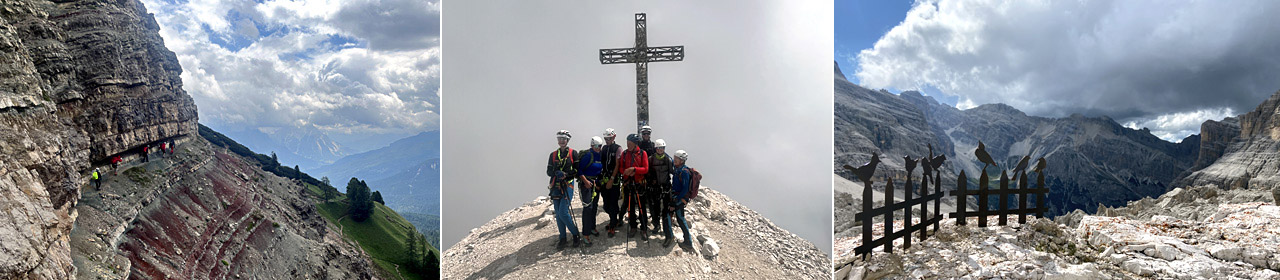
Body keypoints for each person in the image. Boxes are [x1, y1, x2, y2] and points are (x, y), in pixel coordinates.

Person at [546, 130, 583, 249]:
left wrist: (566, 174)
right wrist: (557, 173)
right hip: (556, 186)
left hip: (568, 185)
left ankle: (575, 234)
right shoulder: (552, 155)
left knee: (563, 212)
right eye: (559, 138)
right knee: (558, 213)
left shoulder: (573, 153)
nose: (561, 141)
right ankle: (562, 237)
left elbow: (577, 170)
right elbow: (548, 171)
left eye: (564, 139)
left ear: (567, 140)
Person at [619, 133, 650, 240]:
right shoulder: (624, 154)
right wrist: (627, 172)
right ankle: (633, 226)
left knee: (642, 207)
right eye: (627, 143)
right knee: (630, 206)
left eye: (630, 143)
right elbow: (621, 169)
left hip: (639, 184)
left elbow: (646, 169)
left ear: (635, 143)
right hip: (628, 183)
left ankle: (644, 227)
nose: (628, 145)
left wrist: (634, 170)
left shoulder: (642, 153)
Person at [576, 136, 606, 244]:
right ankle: (586, 233)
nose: (598, 148)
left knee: (594, 207)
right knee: (588, 208)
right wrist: (585, 181)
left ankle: (592, 227)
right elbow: (579, 170)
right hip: (586, 185)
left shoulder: (599, 155)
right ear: (592, 145)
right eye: (596, 146)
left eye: (600, 146)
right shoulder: (588, 155)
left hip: (595, 184)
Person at [599, 128, 625, 237]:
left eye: (609, 138)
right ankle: (614, 220)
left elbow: (617, 165)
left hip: (613, 180)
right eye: (605, 138)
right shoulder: (604, 148)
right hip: (604, 178)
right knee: (606, 204)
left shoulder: (618, 149)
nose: (607, 140)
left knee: (613, 203)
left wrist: (612, 179)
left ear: (614, 137)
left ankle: (613, 225)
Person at [667, 149, 694, 248]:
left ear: (682, 160)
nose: (674, 160)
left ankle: (688, 242)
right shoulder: (678, 168)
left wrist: (677, 199)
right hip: (676, 196)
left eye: (676, 158)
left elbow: (685, 188)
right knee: (678, 217)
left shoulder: (684, 172)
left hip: (679, 198)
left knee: (680, 219)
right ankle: (673, 236)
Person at [647, 139, 673, 240]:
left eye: (662, 148)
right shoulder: (651, 159)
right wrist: (650, 181)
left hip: (665, 187)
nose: (660, 150)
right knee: (655, 208)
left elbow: (672, 172)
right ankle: (656, 225)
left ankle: (667, 229)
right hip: (655, 187)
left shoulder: (668, 159)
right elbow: (648, 172)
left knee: (665, 209)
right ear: (656, 148)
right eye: (659, 148)